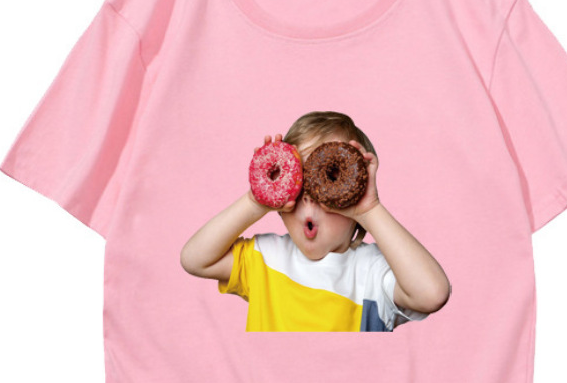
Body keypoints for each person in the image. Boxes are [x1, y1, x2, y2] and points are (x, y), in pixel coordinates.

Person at [181, 111, 451, 331]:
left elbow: (432, 294)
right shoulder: (263, 258)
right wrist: (255, 202)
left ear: (355, 193)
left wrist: (370, 211)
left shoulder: (373, 273)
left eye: (330, 178)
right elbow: (195, 259)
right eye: (298, 182)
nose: (309, 197)